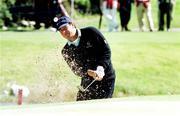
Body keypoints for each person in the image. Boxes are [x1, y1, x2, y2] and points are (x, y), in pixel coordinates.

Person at [55, 16, 116, 101]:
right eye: (60, 30)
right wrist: (89, 72)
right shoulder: (66, 51)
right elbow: (76, 70)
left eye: (65, 28)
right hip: (87, 82)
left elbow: (106, 51)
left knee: (102, 108)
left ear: (72, 25)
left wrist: (100, 68)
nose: (64, 32)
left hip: (106, 78)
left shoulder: (91, 32)